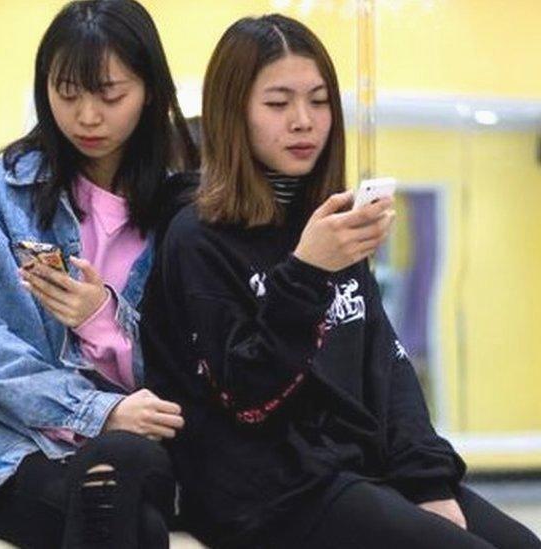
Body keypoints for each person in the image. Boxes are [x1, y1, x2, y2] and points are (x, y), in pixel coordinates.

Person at [141, 14, 541, 549]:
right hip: (266, 491)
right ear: (233, 113)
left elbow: (386, 366)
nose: (304, 121)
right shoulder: (195, 237)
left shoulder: (328, 220)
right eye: (279, 104)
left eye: (320, 100)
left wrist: (428, 481)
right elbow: (247, 395)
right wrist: (306, 271)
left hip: (355, 466)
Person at [0, 1, 198, 547]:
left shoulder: (187, 204)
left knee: (124, 471)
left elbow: (185, 363)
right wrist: (100, 411)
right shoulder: (1, 187)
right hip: (10, 444)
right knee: (131, 521)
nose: (87, 117)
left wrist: (102, 318)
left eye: (110, 94)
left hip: (142, 445)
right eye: (66, 93)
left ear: (150, 90)